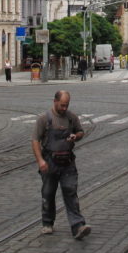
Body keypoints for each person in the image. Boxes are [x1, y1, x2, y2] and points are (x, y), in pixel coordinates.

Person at [32, 90, 91, 239]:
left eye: (66, 105)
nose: (64, 108)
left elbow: (81, 132)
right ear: (55, 101)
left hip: (68, 161)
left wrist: (75, 136)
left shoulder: (71, 118)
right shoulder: (44, 119)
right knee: (48, 192)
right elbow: (35, 141)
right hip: (50, 161)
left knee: (70, 191)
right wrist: (40, 160)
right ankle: (47, 222)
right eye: (62, 105)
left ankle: (78, 226)